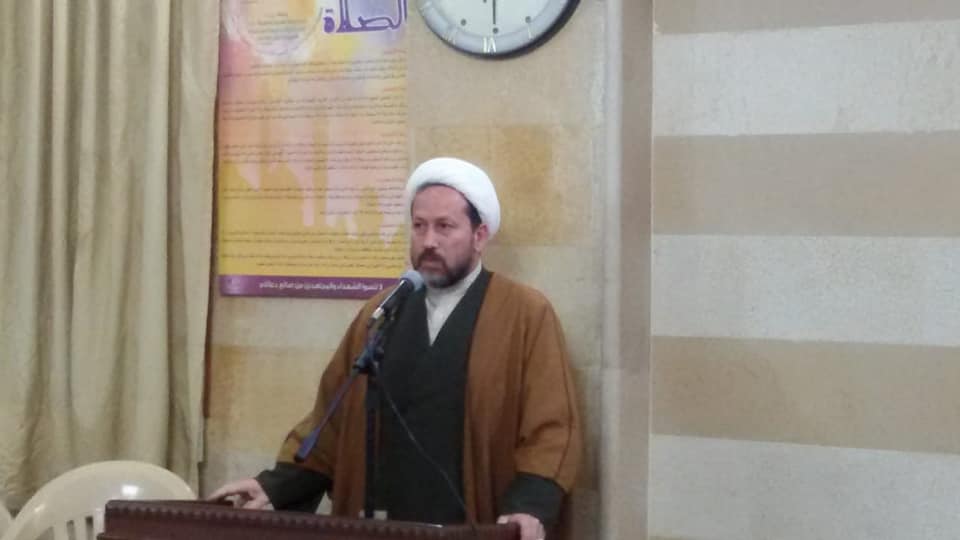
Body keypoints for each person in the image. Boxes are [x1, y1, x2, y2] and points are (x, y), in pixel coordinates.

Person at [210, 157, 582, 540]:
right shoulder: (383, 311)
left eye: (444, 226)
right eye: (419, 226)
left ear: (479, 235)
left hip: (471, 523)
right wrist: (277, 486)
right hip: (384, 520)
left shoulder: (524, 313)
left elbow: (553, 429)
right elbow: (334, 417)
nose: (429, 241)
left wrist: (530, 505)